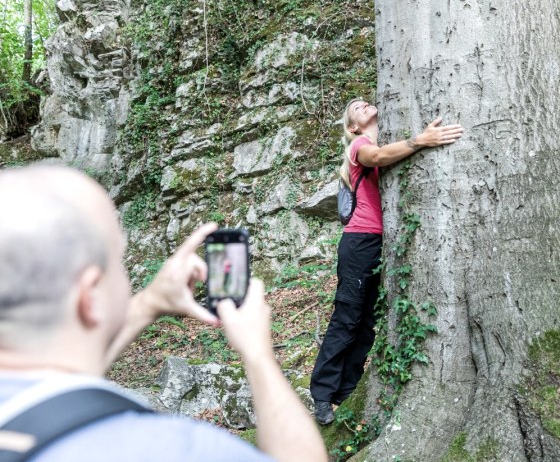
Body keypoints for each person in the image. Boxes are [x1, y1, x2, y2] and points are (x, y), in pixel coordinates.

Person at [0, 165, 328, 462]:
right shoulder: (169, 448)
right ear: (90, 297)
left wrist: (148, 304)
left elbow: (62, 375)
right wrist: (258, 355)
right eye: (119, 260)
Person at [310, 99, 464, 424]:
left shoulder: (378, 141)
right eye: (355, 108)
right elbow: (377, 157)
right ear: (353, 127)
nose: (363, 104)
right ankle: (322, 395)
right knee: (347, 318)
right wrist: (420, 140)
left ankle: (346, 392)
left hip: (377, 241)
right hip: (359, 242)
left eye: (365, 102)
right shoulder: (359, 145)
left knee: (366, 324)